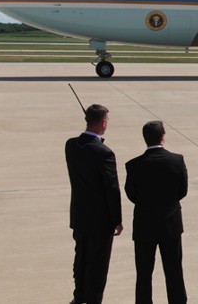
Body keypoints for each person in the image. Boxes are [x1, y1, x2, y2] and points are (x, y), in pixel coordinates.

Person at [124, 121, 189, 304]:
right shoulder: (177, 160)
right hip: (170, 224)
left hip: (145, 225)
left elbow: (131, 194)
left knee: (144, 273)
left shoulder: (134, 165)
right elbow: (182, 191)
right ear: (163, 137)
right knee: (174, 270)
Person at [65, 104, 123, 304]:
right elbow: (111, 189)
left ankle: (78, 296)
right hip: (100, 220)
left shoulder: (71, 145)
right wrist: (117, 219)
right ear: (103, 123)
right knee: (97, 266)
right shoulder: (104, 152)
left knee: (80, 259)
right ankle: (92, 300)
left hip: (79, 215)